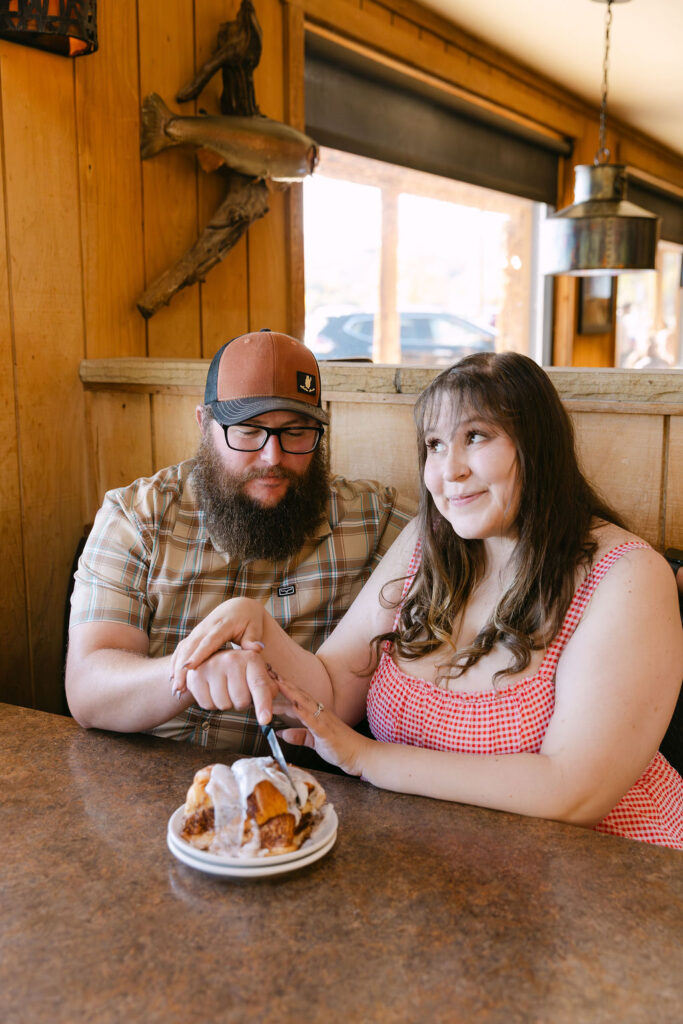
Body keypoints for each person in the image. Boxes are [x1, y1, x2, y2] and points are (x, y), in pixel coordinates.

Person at [169, 352, 683, 848]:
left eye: (475, 436)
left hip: (611, 874)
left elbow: (575, 792)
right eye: (435, 445)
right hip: (440, 860)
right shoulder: (427, 542)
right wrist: (252, 620)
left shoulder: (628, 576)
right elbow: (333, 691)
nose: (448, 470)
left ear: (538, 447)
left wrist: (366, 758)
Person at [65, 329, 415, 754]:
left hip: (302, 789)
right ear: (204, 423)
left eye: (297, 431)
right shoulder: (138, 518)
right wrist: (189, 676)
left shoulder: (373, 522)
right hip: (151, 776)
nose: (273, 457)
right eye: (248, 431)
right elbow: (88, 689)